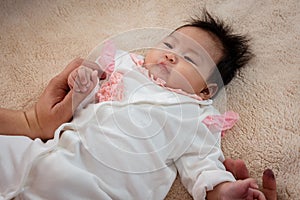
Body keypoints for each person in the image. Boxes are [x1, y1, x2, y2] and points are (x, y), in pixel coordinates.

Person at [0, 11, 277, 200]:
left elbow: (203, 165)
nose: (170, 56)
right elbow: (82, 98)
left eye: (190, 59)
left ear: (206, 90)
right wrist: (81, 82)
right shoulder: (125, 68)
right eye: (169, 44)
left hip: (98, 189)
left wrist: (224, 188)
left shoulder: (196, 118)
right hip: (48, 153)